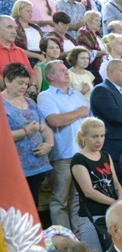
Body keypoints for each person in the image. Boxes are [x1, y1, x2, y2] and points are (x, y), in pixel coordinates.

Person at [37, 60, 89, 231]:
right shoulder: (46, 96)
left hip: (82, 154)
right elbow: (55, 120)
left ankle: (78, 240)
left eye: (66, 70)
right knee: (60, 200)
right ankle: (64, 241)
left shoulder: (77, 94)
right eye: (61, 71)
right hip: (63, 155)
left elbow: (88, 119)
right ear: (50, 76)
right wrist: (79, 112)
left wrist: (75, 115)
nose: (66, 73)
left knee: (76, 199)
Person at [71, 116, 122, 252]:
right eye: (94, 136)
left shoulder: (106, 155)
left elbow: (116, 183)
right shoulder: (79, 159)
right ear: (83, 136)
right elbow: (88, 191)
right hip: (92, 216)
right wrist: (114, 202)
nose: (99, 140)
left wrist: (121, 196)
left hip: (112, 213)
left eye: (102, 136)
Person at [3, 62, 53, 205]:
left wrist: (48, 144)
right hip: (13, 167)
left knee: (33, 204)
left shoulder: (30, 102)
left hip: (37, 164)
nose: (24, 87)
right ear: (7, 80)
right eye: (20, 83)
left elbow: (45, 128)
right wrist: (25, 132)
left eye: (26, 83)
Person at [90, 60, 122, 180]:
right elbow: (115, 115)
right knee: (116, 183)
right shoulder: (101, 90)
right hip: (114, 147)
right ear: (110, 72)